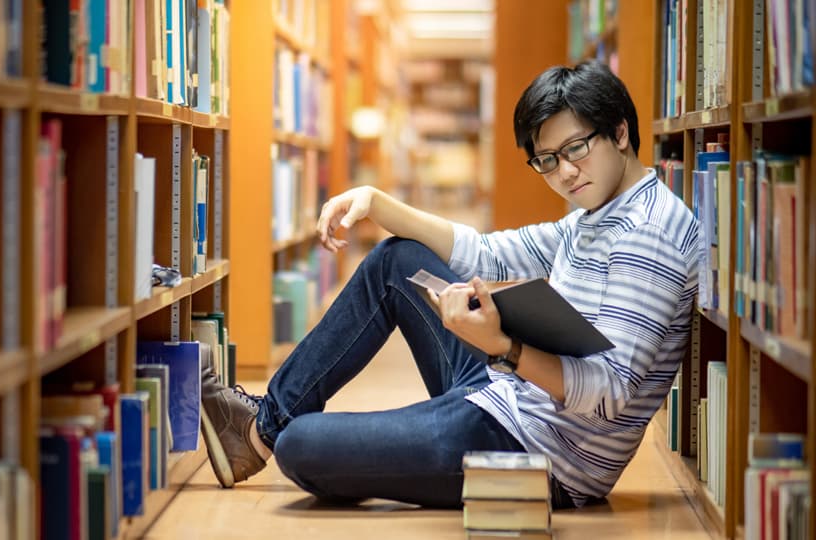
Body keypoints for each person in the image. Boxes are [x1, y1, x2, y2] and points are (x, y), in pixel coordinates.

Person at [199, 61, 701, 510]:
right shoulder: (597, 214)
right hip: (507, 394)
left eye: (575, 149)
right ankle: (262, 426)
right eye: (546, 159)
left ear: (619, 132)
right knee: (396, 258)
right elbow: (487, 252)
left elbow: (610, 392)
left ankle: (268, 433)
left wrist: (504, 348)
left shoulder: (648, 236)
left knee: (301, 447)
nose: (565, 173)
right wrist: (378, 203)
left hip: (537, 454)